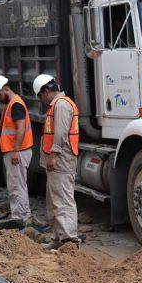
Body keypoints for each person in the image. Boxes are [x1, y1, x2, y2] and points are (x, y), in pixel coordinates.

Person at [33, 74, 82, 249]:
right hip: (59, 162)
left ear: (45, 92)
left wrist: (53, 156)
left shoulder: (60, 105)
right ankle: (58, 238)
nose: (42, 101)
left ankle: (69, 240)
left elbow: (60, 133)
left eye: (40, 97)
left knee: (63, 201)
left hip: (61, 161)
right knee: (55, 201)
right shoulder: (59, 105)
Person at [0, 75, 36, 227]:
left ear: (5, 89)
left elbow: (21, 129)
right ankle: (24, 216)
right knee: (18, 185)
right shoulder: (12, 104)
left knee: (16, 186)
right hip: (16, 152)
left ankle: (19, 218)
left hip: (17, 153)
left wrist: (15, 151)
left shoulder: (15, 105)